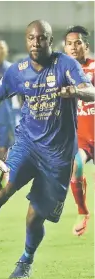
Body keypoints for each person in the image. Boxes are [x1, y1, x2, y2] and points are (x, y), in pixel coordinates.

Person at [0, 20, 94, 279]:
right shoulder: (18, 71)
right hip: (27, 145)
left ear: (50, 40)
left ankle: (26, 261)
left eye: (42, 38)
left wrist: (76, 91)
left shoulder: (66, 65)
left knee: (34, 217)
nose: (36, 43)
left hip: (57, 157)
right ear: (27, 41)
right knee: (0, 191)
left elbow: (89, 89)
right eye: (31, 38)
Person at [64, 25, 94, 236]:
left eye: (78, 43)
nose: (74, 48)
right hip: (82, 136)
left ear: (86, 46)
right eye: (69, 44)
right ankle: (82, 212)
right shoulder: (63, 72)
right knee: (76, 165)